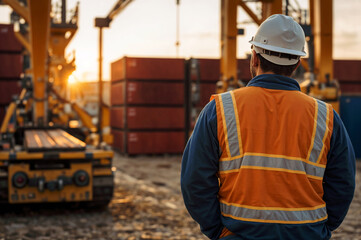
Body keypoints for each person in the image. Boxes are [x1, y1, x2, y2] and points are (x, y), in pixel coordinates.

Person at [181, 14, 355, 240]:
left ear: (254, 57)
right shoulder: (327, 116)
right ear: (297, 64)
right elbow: (343, 183)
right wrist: (319, 228)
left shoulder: (220, 110)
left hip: (237, 235)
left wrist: (217, 230)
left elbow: (194, 181)